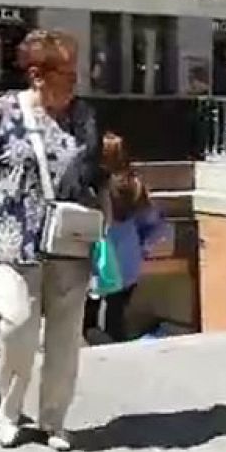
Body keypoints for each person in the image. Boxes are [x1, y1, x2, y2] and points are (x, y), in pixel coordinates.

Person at [0, 29, 103, 452]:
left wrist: (99, 214)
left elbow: (93, 174)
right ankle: (8, 414)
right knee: (18, 327)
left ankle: (54, 421)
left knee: (65, 338)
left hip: (69, 242)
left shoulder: (84, 116)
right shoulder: (1, 112)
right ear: (37, 75)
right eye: (67, 72)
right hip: (13, 240)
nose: (75, 80)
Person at [84, 132, 165, 343]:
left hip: (96, 258)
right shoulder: (134, 185)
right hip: (128, 259)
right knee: (116, 315)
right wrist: (143, 247)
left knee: (86, 314)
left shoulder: (94, 185)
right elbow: (154, 223)